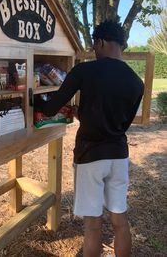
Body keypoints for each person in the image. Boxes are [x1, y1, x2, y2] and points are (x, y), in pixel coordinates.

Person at [35, 20, 144, 257]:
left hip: (90, 156)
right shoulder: (137, 82)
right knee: (120, 220)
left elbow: (51, 107)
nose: (94, 51)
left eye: (95, 45)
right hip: (119, 156)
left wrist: (29, 97)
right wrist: (82, 114)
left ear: (101, 42)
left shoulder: (85, 70)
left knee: (93, 225)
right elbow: (120, 123)